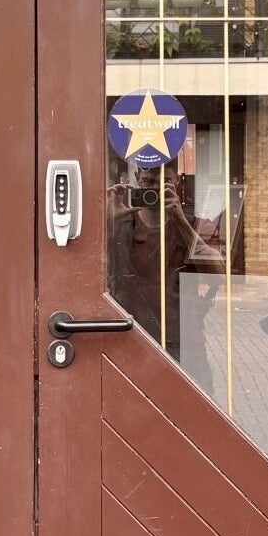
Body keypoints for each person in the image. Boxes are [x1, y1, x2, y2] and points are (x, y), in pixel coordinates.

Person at [106, 162, 226, 380]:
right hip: (130, 339)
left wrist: (181, 222)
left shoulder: (194, 225)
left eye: (164, 184)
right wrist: (108, 223)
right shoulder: (121, 225)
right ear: (136, 179)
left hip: (183, 345)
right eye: (147, 183)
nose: (155, 191)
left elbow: (218, 273)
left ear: (177, 181)